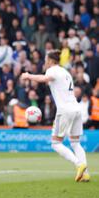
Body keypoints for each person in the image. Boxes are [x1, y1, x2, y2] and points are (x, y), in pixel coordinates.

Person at [21, 50, 90, 182]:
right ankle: (85, 173)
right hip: (76, 108)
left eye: (46, 60)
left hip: (64, 110)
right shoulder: (65, 72)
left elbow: (45, 79)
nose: (45, 62)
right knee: (75, 143)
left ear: (51, 61)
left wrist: (29, 76)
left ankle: (79, 164)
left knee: (55, 143)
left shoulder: (52, 70)